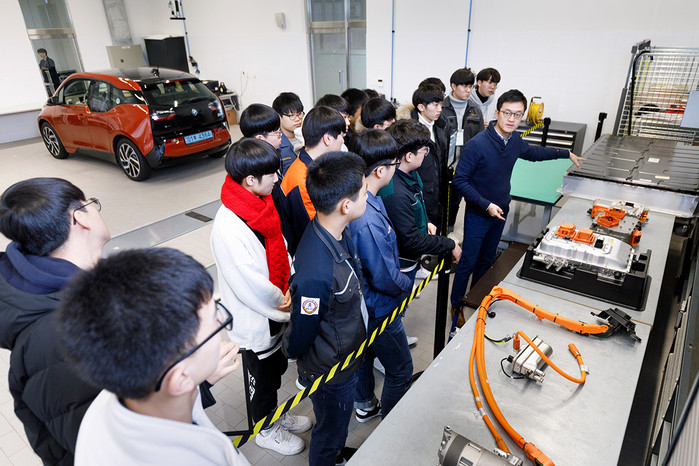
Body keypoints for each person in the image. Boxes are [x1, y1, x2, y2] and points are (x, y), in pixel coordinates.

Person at [57, 248, 251, 465]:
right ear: (180, 378)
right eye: (216, 320)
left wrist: (199, 379)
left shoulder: (108, 402)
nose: (220, 323)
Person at [211, 138, 311, 455]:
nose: (278, 178)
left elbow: (280, 245)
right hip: (257, 317)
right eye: (272, 174)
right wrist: (284, 302)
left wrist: (290, 283)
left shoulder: (260, 204)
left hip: (276, 306)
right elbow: (250, 283)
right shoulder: (228, 226)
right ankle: (264, 429)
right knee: (262, 379)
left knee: (276, 370)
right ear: (250, 180)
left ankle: (273, 417)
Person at [451, 89, 584, 327]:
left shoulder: (514, 141)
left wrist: (565, 153)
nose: (511, 119)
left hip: (501, 212)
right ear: (497, 113)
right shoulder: (477, 145)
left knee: (487, 260)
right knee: (468, 262)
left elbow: (534, 152)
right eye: (507, 113)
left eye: (517, 114)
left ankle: (478, 300)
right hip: (479, 214)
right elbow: (460, 180)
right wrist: (485, 204)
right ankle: (456, 306)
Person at [0, 178, 109, 465]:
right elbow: (112, 447)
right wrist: (196, 384)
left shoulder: (73, 290)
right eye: (90, 203)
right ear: (79, 218)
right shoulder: (61, 337)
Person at [284, 151, 368, 466]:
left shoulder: (333, 231)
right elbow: (303, 329)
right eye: (363, 191)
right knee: (330, 431)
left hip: (344, 351)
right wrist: (294, 352)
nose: (368, 195)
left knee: (336, 425)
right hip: (331, 369)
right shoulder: (317, 269)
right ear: (345, 205)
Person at [347, 130, 414, 422]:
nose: (396, 169)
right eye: (394, 164)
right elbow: (384, 276)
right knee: (401, 371)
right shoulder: (368, 219)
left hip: (364, 305)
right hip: (379, 308)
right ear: (379, 170)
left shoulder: (363, 198)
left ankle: (365, 404)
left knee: (365, 357)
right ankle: (391, 428)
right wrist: (408, 285)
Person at [379, 120, 461, 279]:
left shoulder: (410, 172)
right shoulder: (395, 193)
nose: (426, 153)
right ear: (409, 156)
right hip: (401, 264)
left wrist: (426, 222)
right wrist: (449, 244)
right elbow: (411, 241)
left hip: (412, 257)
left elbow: (416, 205)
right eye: (424, 150)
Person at [280, 106, 346, 256]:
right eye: (341, 136)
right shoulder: (302, 180)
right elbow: (319, 232)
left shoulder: (315, 166)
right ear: (327, 139)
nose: (343, 141)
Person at [399, 85, 449, 230]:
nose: (440, 109)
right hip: (417, 195)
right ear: (421, 107)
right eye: (435, 105)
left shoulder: (440, 127)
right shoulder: (409, 132)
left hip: (436, 195)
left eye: (441, 104)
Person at [441, 68, 485, 232]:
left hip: (465, 165)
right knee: (441, 200)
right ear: (453, 86)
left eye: (470, 87)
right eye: (464, 86)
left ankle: (450, 230)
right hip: (444, 165)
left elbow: (480, 139)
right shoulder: (441, 108)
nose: (468, 90)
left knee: (456, 200)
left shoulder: (475, 110)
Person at [239, 103, 297, 175]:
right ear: (260, 139)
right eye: (276, 133)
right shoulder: (257, 168)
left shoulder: (271, 154)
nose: (280, 135)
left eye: (279, 130)